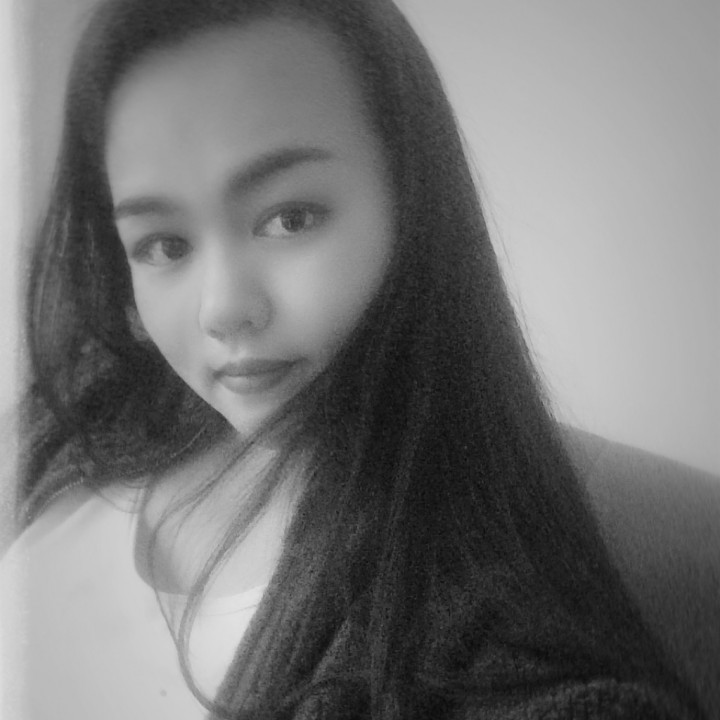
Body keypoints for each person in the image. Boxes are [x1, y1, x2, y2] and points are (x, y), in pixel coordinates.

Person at [1, 0, 711, 717]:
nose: (222, 310)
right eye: (165, 245)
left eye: (289, 219)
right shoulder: (99, 400)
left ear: (412, 206)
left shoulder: (484, 648)